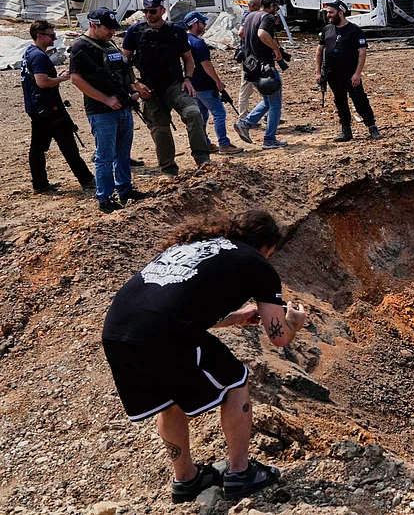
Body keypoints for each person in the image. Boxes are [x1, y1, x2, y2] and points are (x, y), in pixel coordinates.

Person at [101, 210, 309, 503]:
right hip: (164, 332)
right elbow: (278, 338)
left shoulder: (193, 245)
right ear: (266, 247)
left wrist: (235, 318)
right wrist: (294, 323)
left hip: (117, 331)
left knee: (168, 401)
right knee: (236, 382)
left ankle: (186, 480)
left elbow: (177, 306)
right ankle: (240, 472)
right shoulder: (256, 263)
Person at [69, 8, 152, 213]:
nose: (112, 32)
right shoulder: (81, 47)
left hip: (123, 107)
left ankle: (124, 189)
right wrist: (106, 99)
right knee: (104, 157)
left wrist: (135, 89)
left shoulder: (109, 43)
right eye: (108, 28)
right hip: (101, 111)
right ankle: (104, 198)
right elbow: (76, 79)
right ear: (94, 25)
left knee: (123, 154)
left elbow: (122, 72)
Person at [122, 0, 210, 175]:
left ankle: (203, 159)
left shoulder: (175, 31)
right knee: (160, 129)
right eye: (145, 11)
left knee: (193, 113)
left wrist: (188, 79)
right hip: (150, 89)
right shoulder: (135, 31)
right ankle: (169, 170)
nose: (148, 14)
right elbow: (123, 62)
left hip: (174, 84)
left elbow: (188, 59)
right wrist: (136, 85)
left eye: (152, 11)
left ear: (162, 10)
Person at [22, 20, 94, 194]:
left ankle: (40, 184)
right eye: (51, 35)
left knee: (38, 148)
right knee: (68, 145)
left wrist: (56, 76)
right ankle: (87, 180)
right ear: (39, 36)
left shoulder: (30, 53)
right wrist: (62, 79)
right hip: (48, 109)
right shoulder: (39, 56)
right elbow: (42, 81)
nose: (54, 38)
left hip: (36, 108)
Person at [317, 0, 382, 142]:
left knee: (360, 101)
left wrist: (357, 73)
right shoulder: (327, 29)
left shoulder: (354, 30)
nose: (328, 15)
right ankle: (346, 130)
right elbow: (319, 50)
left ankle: (372, 127)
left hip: (350, 74)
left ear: (341, 13)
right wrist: (318, 72)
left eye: (331, 12)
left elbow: (362, 52)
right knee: (340, 102)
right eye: (327, 12)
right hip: (333, 74)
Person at [233, 0, 288, 150]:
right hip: (265, 67)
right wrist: (276, 49)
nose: (276, 11)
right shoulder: (267, 17)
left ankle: (245, 123)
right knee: (275, 104)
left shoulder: (250, 16)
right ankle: (269, 139)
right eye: (276, 8)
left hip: (250, 66)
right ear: (271, 6)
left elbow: (242, 33)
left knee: (267, 101)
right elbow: (262, 34)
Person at [185, 11, 242, 154]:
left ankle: (205, 142)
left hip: (193, 84)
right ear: (194, 24)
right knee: (219, 113)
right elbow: (207, 65)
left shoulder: (185, 40)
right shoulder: (198, 43)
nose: (204, 25)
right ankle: (224, 143)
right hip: (204, 84)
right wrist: (218, 82)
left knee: (202, 115)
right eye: (202, 23)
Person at [236, 0, 262, 122]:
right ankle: (243, 118)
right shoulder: (248, 15)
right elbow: (241, 32)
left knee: (251, 86)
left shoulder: (250, 15)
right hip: (249, 57)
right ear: (253, 6)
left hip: (250, 56)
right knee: (247, 86)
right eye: (259, 5)